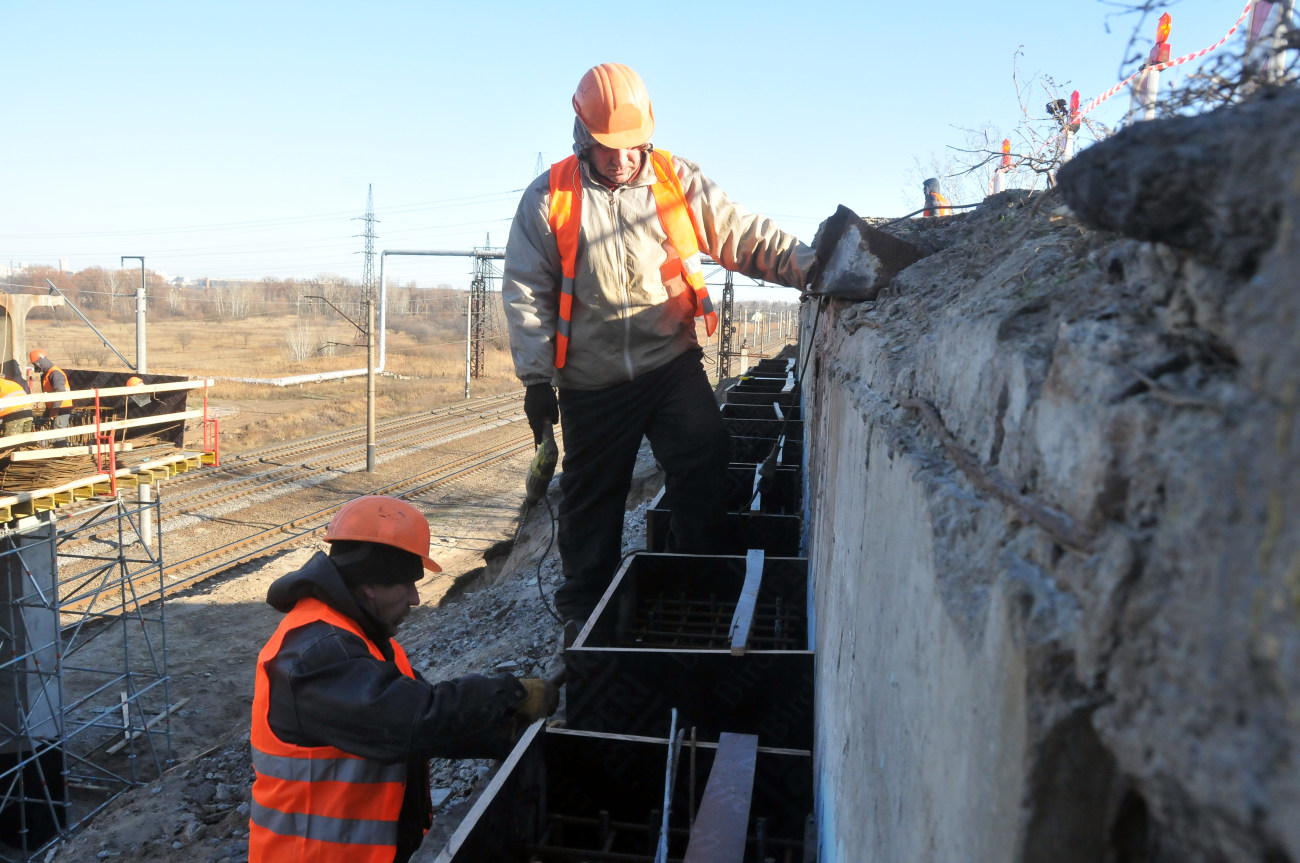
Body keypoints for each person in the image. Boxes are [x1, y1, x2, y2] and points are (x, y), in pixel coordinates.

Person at [501, 63, 815, 633]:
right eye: (605, 148)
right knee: (590, 503)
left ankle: (691, 578)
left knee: (704, 456)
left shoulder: (676, 181)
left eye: (631, 147)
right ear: (582, 137)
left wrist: (809, 266)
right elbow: (526, 291)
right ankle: (585, 618)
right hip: (591, 384)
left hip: (669, 364)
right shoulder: (551, 198)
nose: (620, 160)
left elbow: (741, 233)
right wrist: (535, 379)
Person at [249, 495, 559, 863]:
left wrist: (507, 730)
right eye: (408, 583)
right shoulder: (317, 652)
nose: (415, 598)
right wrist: (510, 694)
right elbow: (413, 721)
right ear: (370, 585)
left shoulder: (362, 641)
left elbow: (426, 718)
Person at [29, 349, 71, 429]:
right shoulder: (48, 374)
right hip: (57, 408)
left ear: (40, 362)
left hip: (61, 408)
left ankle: (60, 442)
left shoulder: (55, 373)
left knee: (58, 433)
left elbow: (60, 392)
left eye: (35, 365)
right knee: (56, 432)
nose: (36, 367)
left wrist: (55, 409)